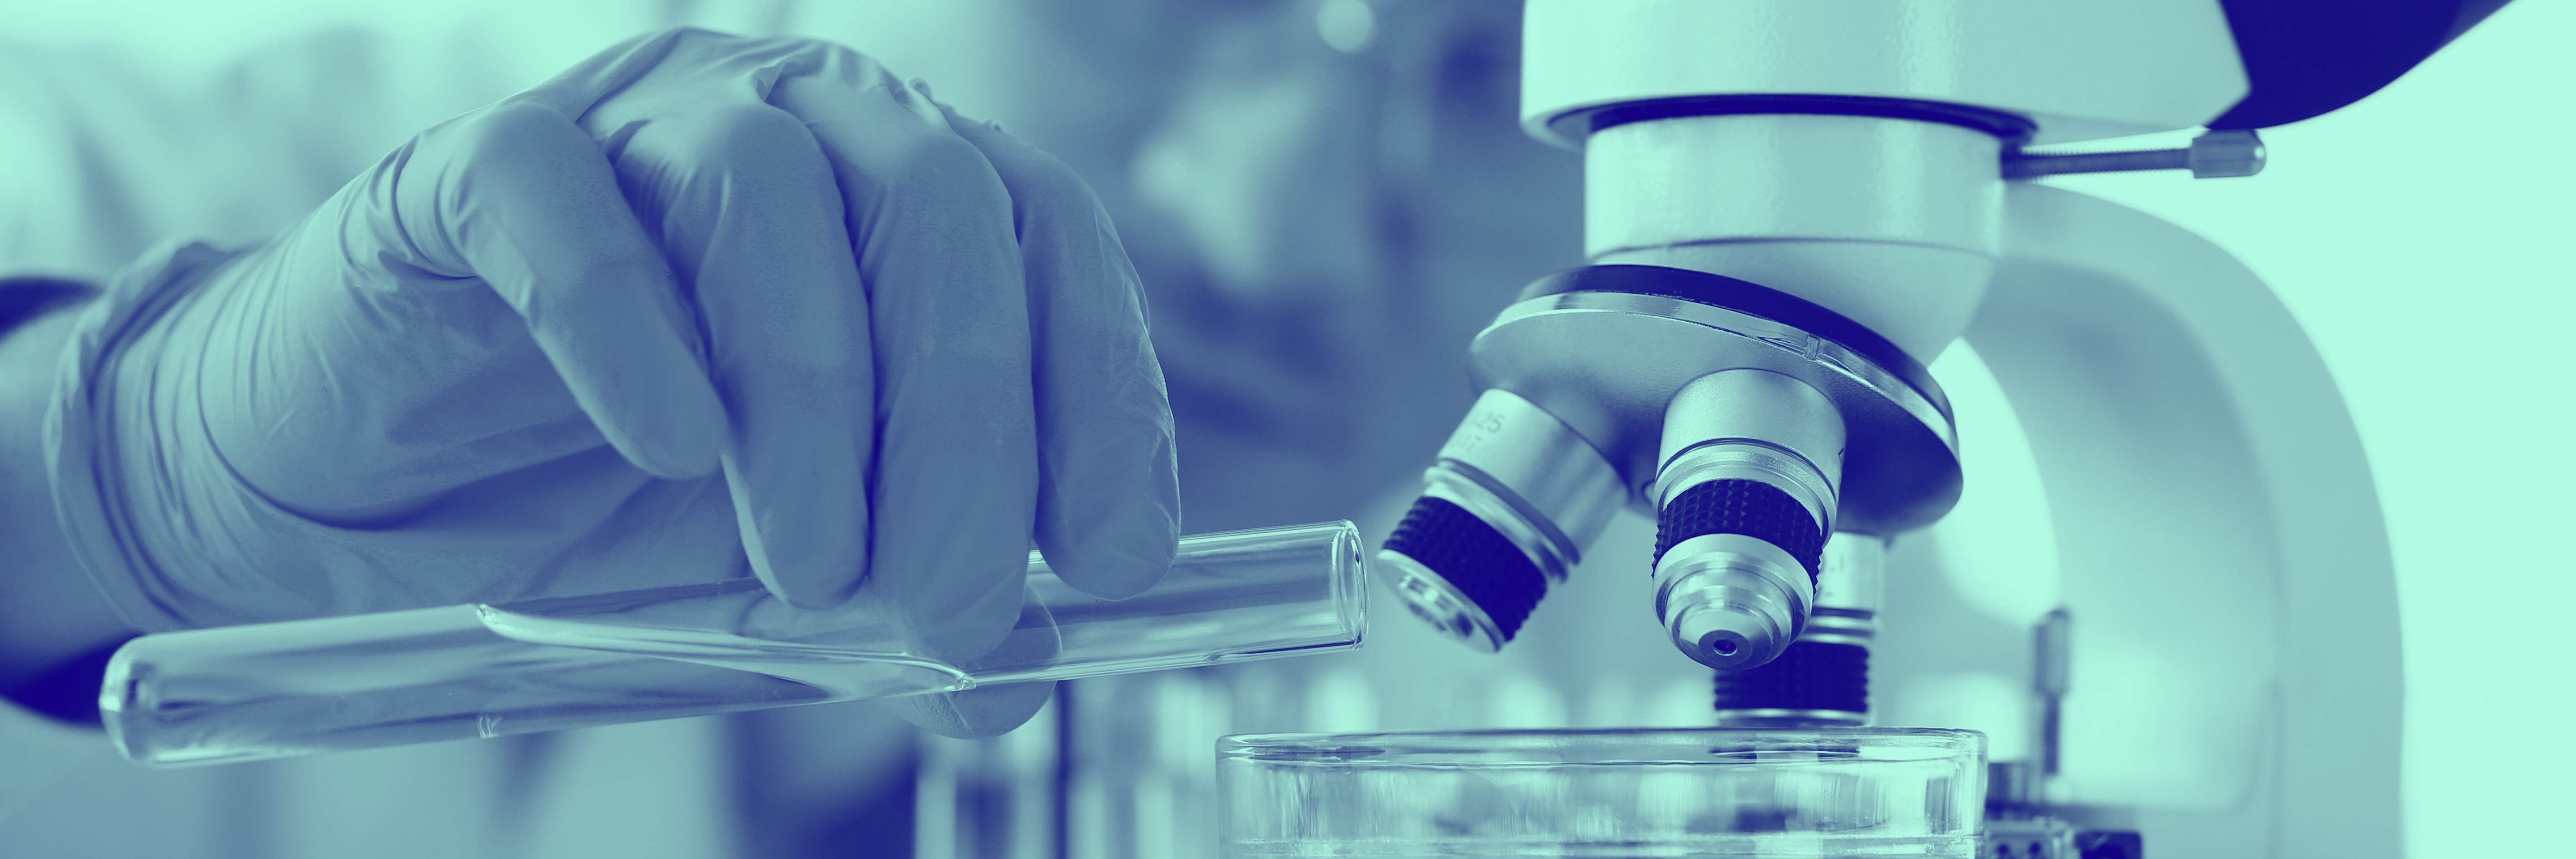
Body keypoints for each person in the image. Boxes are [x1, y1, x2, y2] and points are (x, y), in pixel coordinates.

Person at [0, 28, 1183, 738]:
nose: (1288, 218)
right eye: (1210, 10)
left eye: (1388, 207)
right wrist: (122, 457)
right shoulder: (289, 146)